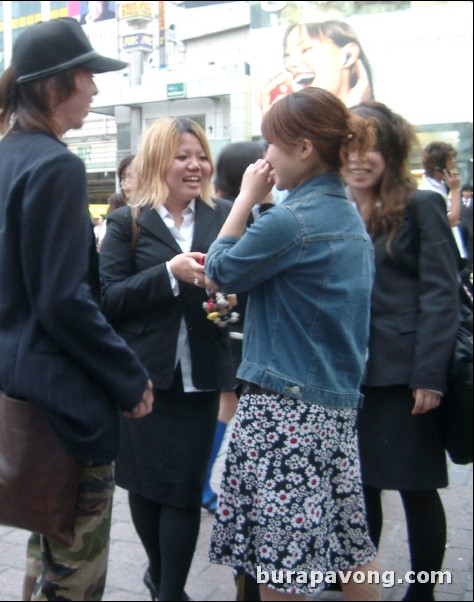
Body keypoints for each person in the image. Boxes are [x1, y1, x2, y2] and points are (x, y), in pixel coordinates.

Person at [0, 17, 153, 601]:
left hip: (21, 392)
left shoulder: (7, 157)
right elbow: (62, 298)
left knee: (46, 545)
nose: (95, 89)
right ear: (54, 87)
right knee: (76, 570)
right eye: (87, 76)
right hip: (64, 408)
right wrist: (128, 378)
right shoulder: (56, 164)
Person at [205, 88, 380, 599]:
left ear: (304, 148)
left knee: (283, 561)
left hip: (285, 413)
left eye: (271, 145)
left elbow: (219, 270)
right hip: (333, 406)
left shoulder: (292, 221)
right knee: (350, 545)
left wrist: (243, 198)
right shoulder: (346, 217)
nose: (265, 158)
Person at [99, 116, 233, 601]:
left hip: (200, 379)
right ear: (160, 161)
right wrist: (169, 274)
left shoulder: (225, 216)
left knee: (183, 488)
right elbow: (109, 298)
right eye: (182, 156)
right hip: (142, 378)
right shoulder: (127, 222)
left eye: (200, 155)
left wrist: (230, 299)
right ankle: (159, 574)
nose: (194, 165)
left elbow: (243, 284)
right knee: (143, 485)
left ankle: (171, 591)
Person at [344, 102, 459, 602]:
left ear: (390, 150)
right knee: (358, 487)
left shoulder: (421, 204)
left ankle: (424, 589)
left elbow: (442, 293)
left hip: (406, 375)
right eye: (350, 146)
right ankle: (359, 579)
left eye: (371, 146)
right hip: (347, 373)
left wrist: (430, 375)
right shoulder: (333, 205)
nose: (360, 158)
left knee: (415, 488)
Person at [201, 141, 269, 515]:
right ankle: (203, 480)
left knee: (227, 402)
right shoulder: (244, 213)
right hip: (235, 323)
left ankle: (204, 478)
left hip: (222, 321)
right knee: (228, 402)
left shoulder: (215, 209)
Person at [258, 19, 374, 116]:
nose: (291, 64)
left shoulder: (379, 125)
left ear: (348, 55)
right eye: (286, 57)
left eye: (306, 49)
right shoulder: (299, 127)